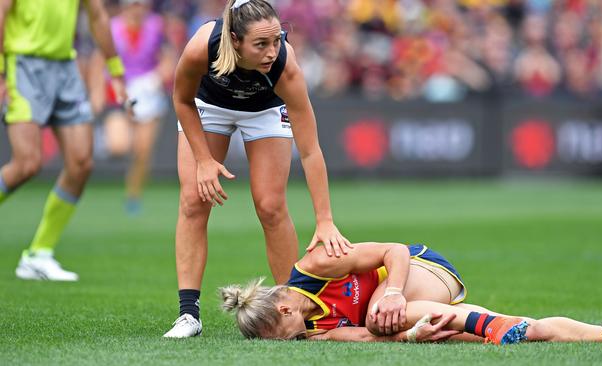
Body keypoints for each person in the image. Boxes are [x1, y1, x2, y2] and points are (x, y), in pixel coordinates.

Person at [163, 0, 350, 338]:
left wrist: (324, 219)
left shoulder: (284, 66)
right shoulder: (202, 47)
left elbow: (310, 151)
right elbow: (181, 100)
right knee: (193, 199)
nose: (271, 51)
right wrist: (204, 161)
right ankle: (188, 315)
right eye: (261, 44)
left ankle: (289, 308)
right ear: (235, 40)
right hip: (209, 106)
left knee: (270, 206)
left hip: (265, 110)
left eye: (277, 40)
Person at [221, 242, 602, 343]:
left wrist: (391, 294)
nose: (300, 338)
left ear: (282, 307)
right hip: (416, 309)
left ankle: (492, 325)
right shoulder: (316, 330)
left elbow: (392, 251)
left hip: (421, 268)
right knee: (528, 331)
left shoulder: (315, 266)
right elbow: (372, 338)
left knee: (377, 312)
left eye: (290, 333)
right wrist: (414, 335)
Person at [0, 0, 127, 281]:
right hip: (23, 64)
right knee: (26, 164)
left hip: (65, 67)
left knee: (81, 162)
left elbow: (97, 15)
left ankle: (39, 254)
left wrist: (115, 70)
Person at [96, 0, 175, 215]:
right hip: (119, 94)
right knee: (119, 145)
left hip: (148, 96)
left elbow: (169, 58)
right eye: (133, 4)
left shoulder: (156, 26)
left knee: (143, 151)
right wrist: (97, 93)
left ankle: (133, 195)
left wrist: (156, 78)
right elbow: (98, 59)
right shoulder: (111, 28)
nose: (137, 8)